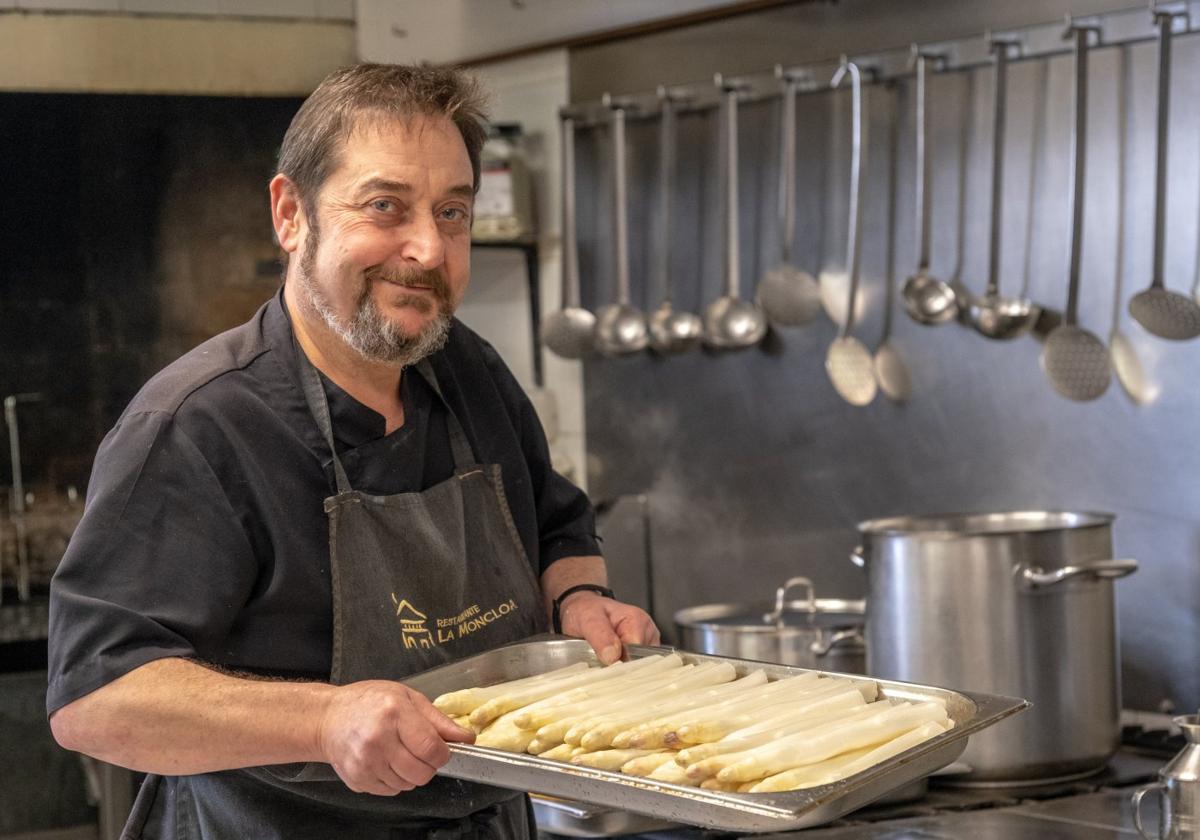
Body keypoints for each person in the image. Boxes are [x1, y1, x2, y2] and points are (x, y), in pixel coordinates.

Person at [46, 63, 660, 840]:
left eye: (452, 212)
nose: (428, 249)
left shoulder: (466, 370)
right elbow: (95, 702)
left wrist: (581, 602)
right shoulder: (197, 427)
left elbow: (558, 526)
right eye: (385, 206)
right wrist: (325, 719)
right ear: (291, 214)